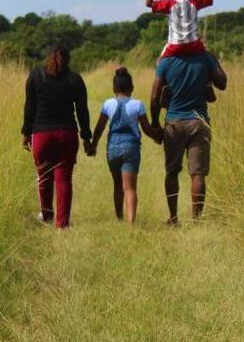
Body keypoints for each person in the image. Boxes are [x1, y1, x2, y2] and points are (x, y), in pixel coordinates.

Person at [150, 51, 227, 225]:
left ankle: (173, 217)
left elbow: (155, 97)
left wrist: (155, 124)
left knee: (171, 171)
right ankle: (196, 221)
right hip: (199, 122)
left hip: (174, 123)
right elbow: (222, 84)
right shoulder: (205, 58)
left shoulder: (165, 61)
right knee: (198, 174)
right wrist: (212, 58)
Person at [22, 45, 92, 229]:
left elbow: (29, 108)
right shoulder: (75, 79)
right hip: (66, 134)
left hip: (41, 134)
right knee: (64, 178)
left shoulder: (36, 75)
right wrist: (86, 137)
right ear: (68, 59)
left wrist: (25, 133)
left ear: (48, 58)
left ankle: (46, 215)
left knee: (44, 177)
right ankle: (62, 224)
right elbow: (82, 111)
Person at [88, 67, 162, 224]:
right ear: (132, 88)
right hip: (131, 147)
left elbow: (99, 128)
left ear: (114, 88)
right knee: (130, 187)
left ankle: (119, 216)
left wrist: (93, 145)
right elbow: (147, 129)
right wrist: (159, 137)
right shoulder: (138, 105)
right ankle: (131, 223)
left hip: (113, 148)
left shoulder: (108, 104)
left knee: (117, 185)